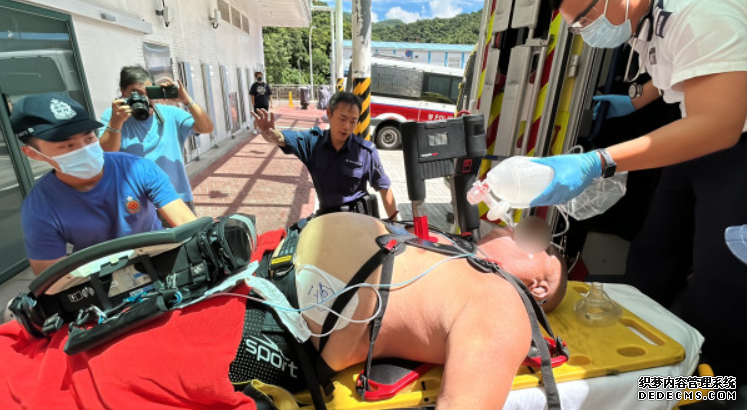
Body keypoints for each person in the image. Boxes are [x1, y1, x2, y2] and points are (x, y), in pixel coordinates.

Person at [0, 212, 566, 409]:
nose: (525, 232)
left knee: (64, 376)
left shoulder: (502, 304)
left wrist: (659, 392)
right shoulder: (451, 248)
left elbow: (466, 405)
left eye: (539, 248)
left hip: (258, 326)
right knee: (58, 336)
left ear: (536, 287)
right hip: (249, 272)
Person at [536, 0, 747, 387]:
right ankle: (648, 374)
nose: (584, 30)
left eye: (583, 19)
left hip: (734, 143)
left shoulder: (700, 13)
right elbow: (682, 65)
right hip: (703, 136)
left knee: (726, 286)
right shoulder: (645, 19)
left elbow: (721, 123)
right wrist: (637, 100)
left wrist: (599, 162)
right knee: (654, 254)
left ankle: (715, 391)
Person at [11, 93, 197, 275]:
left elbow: (186, 224)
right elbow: (53, 279)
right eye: (67, 146)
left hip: (160, 262)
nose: (84, 149)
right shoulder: (40, 207)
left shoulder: (138, 168)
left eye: (89, 138)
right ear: (33, 153)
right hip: (99, 282)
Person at [253, 92, 398, 219]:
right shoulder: (312, 142)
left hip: (359, 220)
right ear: (329, 113)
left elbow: (384, 188)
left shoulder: (366, 151)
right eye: (342, 119)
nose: (347, 126)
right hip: (327, 218)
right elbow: (280, 138)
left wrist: (395, 224)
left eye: (353, 121)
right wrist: (268, 133)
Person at [98, 65, 214, 214]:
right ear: (123, 92)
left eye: (148, 92)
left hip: (175, 197)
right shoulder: (113, 116)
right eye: (136, 93)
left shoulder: (171, 114)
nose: (143, 98)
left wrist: (187, 101)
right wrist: (116, 123)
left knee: (186, 237)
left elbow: (206, 128)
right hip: (136, 201)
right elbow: (106, 154)